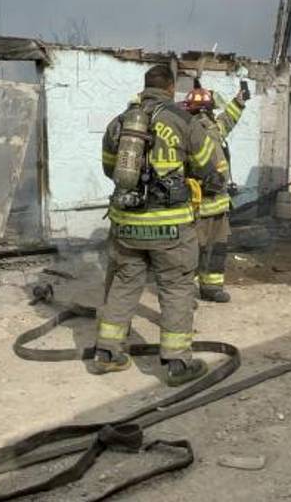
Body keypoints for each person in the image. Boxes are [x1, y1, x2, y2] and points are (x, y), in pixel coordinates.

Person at [96, 64, 223, 386]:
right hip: (171, 226)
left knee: (125, 283)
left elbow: (111, 170)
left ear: (144, 87)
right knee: (176, 288)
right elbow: (208, 165)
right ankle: (177, 363)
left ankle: (108, 352)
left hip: (126, 223)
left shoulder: (119, 122)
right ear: (170, 88)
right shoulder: (183, 120)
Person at [183, 84, 248, 303]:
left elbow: (228, 119)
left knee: (217, 247)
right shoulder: (188, 131)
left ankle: (211, 287)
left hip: (218, 203)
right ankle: (186, 293)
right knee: (194, 250)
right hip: (197, 204)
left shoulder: (213, 127)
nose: (205, 114)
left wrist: (239, 100)